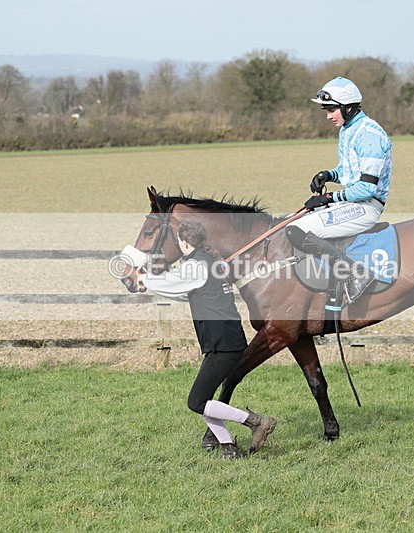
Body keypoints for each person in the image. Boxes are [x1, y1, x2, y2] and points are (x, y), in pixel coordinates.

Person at [137, 218, 276, 459]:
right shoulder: (209, 262)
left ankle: (256, 422)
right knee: (205, 398)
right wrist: (150, 283)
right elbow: (187, 292)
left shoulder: (196, 265)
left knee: (197, 401)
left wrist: (145, 279)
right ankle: (229, 449)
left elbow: (173, 283)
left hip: (223, 343)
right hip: (225, 341)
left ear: (183, 241)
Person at [286, 77, 393, 303]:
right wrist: (328, 175)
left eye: (332, 109)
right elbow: (348, 170)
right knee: (287, 221)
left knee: (295, 230)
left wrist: (328, 197)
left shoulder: (369, 134)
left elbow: (365, 188)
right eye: (327, 110)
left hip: (366, 206)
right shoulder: (349, 128)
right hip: (352, 202)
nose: (328, 116)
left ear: (349, 107)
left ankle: (356, 273)